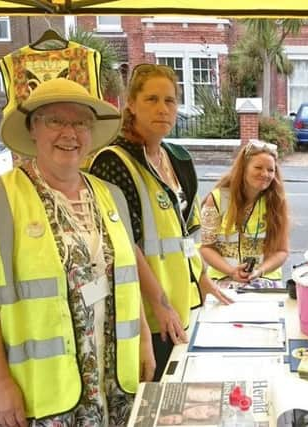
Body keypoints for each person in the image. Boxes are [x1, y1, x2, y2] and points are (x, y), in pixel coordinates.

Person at [0, 78, 154, 426]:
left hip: (114, 380)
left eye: (80, 122)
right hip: (44, 393)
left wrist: (145, 339)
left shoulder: (110, 195)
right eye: (55, 121)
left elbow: (124, 279)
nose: (69, 132)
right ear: (32, 129)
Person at [90, 63, 231, 381]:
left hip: (183, 304)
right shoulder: (112, 162)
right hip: (148, 314)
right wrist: (160, 304)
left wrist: (203, 279)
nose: (162, 109)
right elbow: (126, 246)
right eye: (151, 99)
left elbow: (187, 236)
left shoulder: (178, 158)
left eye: (169, 100)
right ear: (131, 104)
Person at [199, 140, 290, 284]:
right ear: (243, 169)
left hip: (263, 278)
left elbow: (282, 251)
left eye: (270, 170)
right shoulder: (216, 199)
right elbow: (206, 248)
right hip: (223, 277)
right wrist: (231, 271)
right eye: (258, 167)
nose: (265, 174)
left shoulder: (277, 201)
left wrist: (260, 271)